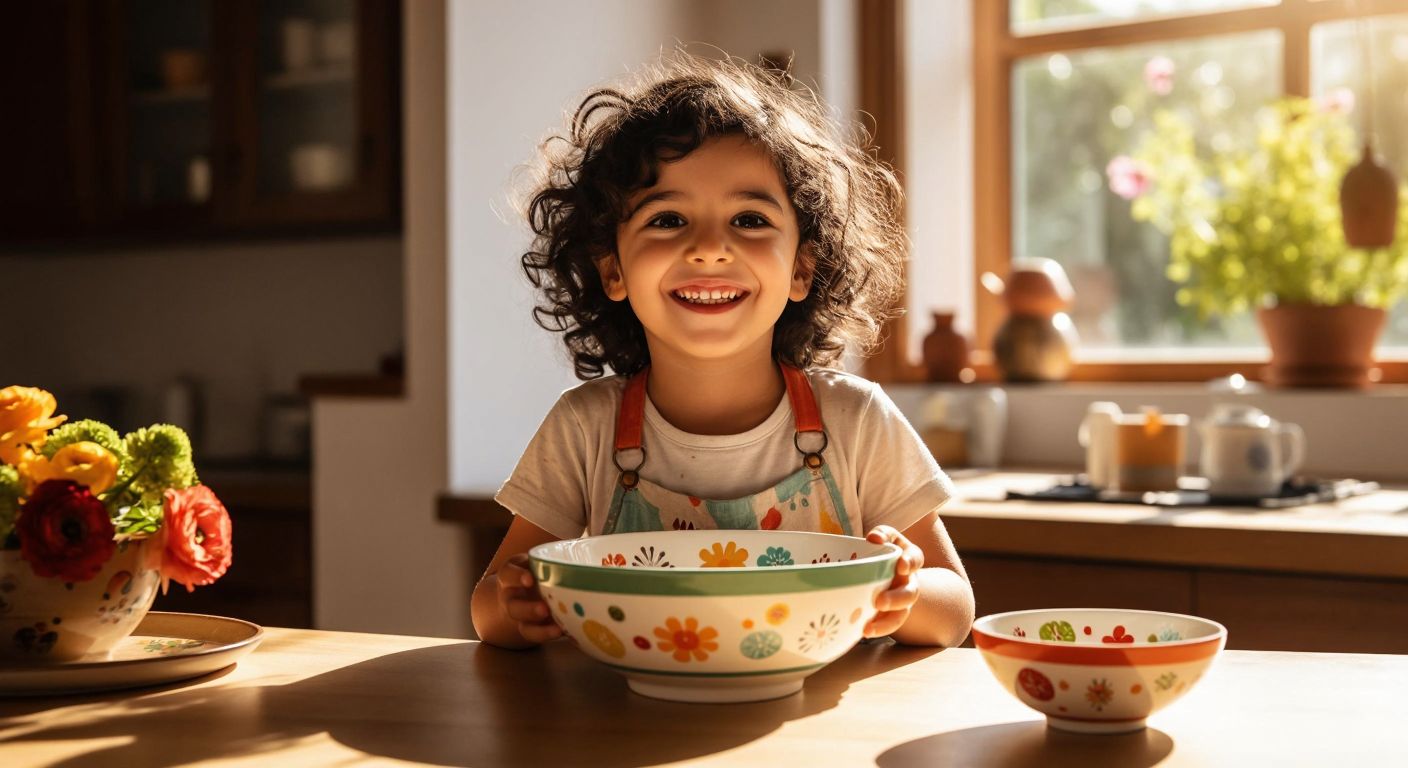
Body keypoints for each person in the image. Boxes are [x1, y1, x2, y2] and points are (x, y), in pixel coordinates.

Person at [470, 53, 974, 651]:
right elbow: (488, 607)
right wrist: (516, 604)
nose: (710, 248)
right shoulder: (584, 426)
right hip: (630, 732)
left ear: (802, 269)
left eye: (749, 219)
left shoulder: (858, 420)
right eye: (669, 218)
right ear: (612, 270)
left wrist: (906, 591)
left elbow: (954, 609)